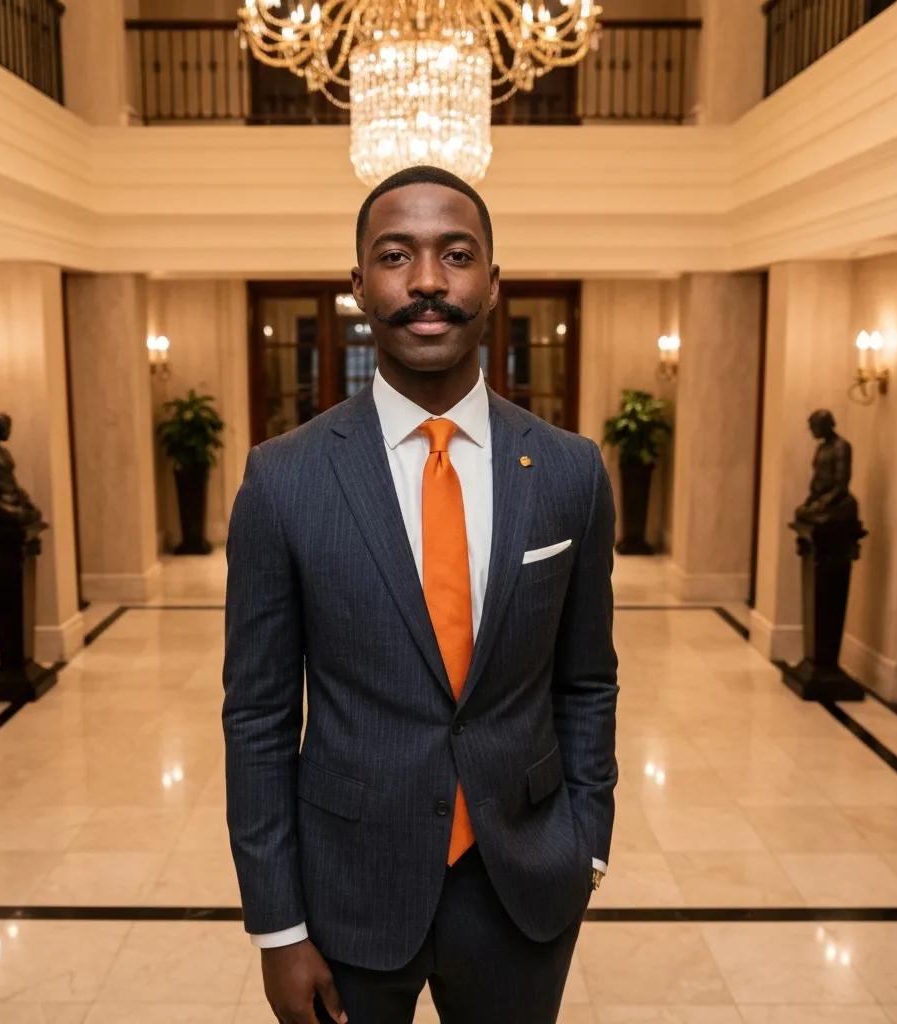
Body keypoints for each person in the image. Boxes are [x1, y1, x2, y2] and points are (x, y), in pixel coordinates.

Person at [222, 164, 619, 1024]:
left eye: (457, 254)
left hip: (523, 887)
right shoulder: (282, 480)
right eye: (397, 255)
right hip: (345, 893)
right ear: (357, 284)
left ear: (492, 282)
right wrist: (277, 927)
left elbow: (587, 680)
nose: (429, 281)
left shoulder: (569, 471)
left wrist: (587, 844)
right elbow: (256, 717)